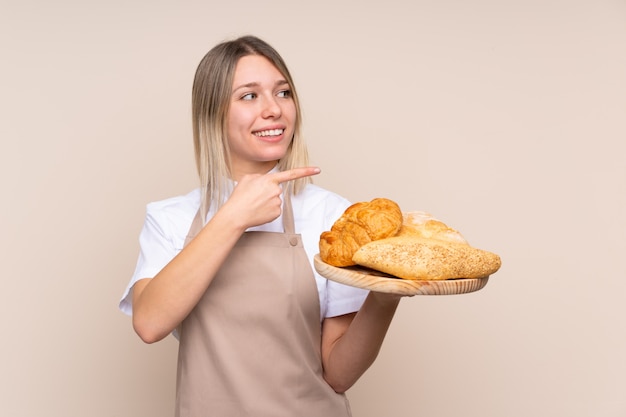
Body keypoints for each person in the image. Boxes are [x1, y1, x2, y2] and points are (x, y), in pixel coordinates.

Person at [119, 35, 403, 417]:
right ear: (212, 112)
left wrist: (385, 297)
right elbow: (150, 323)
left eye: (283, 92)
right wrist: (234, 217)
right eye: (249, 96)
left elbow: (337, 373)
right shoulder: (171, 218)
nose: (274, 109)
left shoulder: (331, 216)